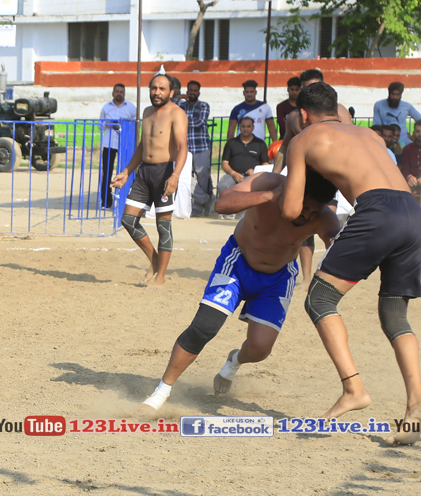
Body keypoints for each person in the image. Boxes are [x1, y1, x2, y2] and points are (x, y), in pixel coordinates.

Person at [283, 82, 421, 444]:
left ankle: (353, 389)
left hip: (377, 211)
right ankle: (417, 401)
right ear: (336, 108)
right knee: (394, 314)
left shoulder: (303, 139)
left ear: (303, 114)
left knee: (319, 299)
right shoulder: (369, 134)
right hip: (413, 214)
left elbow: (290, 210)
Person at [142, 168, 340, 410]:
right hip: (237, 263)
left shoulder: (324, 217)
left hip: (277, 279)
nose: (306, 216)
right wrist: (269, 196)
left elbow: (337, 246)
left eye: (314, 211)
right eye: (304, 207)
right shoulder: (267, 182)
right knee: (204, 327)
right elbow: (222, 204)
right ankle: (162, 391)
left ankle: (233, 362)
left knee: (260, 349)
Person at [108, 73, 189, 287]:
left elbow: (183, 147)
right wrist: (126, 171)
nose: (157, 92)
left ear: (171, 92)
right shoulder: (146, 112)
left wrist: (175, 175)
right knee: (128, 220)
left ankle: (160, 276)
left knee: (163, 226)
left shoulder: (177, 113)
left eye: (162, 89)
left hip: (165, 172)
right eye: (154, 88)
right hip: (144, 173)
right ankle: (154, 259)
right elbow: (143, 145)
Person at [274, 68, 352, 171]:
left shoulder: (339, 111)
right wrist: (274, 174)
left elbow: (352, 143)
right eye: (308, 89)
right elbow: (284, 149)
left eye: (316, 88)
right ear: (302, 89)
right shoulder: (293, 117)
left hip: (336, 171)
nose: (312, 92)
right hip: (306, 173)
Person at [97, 83, 136, 211]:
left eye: (121, 92)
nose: (119, 94)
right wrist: (108, 123)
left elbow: (135, 125)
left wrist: (123, 125)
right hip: (109, 144)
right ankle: (106, 202)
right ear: (113, 93)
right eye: (117, 91)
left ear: (124, 94)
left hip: (124, 144)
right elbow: (100, 125)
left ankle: (125, 201)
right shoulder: (106, 107)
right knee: (107, 173)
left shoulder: (131, 107)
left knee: (125, 172)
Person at [178, 80, 212, 216]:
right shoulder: (180, 105)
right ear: (187, 91)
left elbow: (199, 122)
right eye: (190, 90)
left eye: (195, 90)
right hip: (184, 148)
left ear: (199, 92)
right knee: (186, 177)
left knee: (203, 179)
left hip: (201, 147)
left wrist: (182, 121)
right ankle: (205, 200)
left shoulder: (204, 105)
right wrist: (178, 97)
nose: (192, 93)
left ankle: (198, 209)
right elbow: (169, 110)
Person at [217, 116, 267, 196]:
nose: (246, 129)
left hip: (253, 176)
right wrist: (233, 173)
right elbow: (224, 163)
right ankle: (226, 204)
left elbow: (265, 164)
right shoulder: (231, 143)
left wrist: (255, 172)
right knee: (223, 185)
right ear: (239, 127)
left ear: (253, 127)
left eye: (248, 126)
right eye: (243, 126)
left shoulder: (260, 144)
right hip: (233, 176)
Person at [372, 82, 421, 148]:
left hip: (405, 141)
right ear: (389, 93)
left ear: (401, 94)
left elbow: (420, 120)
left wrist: (415, 135)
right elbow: (376, 126)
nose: (395, 97)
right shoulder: (379, 105)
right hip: (386, 141)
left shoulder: (407, 106)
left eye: (397, 94)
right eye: (393, 94)